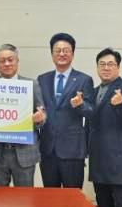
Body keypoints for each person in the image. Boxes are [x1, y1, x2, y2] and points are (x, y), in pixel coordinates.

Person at [0, 44, 45, 187]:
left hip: (24, 153)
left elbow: (42, 113)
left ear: (17, 61)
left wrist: (39, 119)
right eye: (2, 61)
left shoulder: (32, 85)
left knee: (24, 198)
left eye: (10, 60)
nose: (7, 64)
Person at [37, 33, 94, 189]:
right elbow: (39, 108)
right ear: (52, 54)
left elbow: (91, 112)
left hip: (72, 150)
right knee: (50, 197)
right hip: (48, 149)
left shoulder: (84, 79)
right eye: (58, 50)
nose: (62, 54)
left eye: (66, 50)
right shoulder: (43, 79)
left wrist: (80, 104)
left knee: (73, 197)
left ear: (72, 54)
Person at [87, 48, 122, 207]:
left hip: (119, 159)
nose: (106, 68)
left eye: (110, 64)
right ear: (97, 67)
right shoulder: (93, 91)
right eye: (102, 64)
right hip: (98, 159)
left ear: (118, 67)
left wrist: (120, 105)